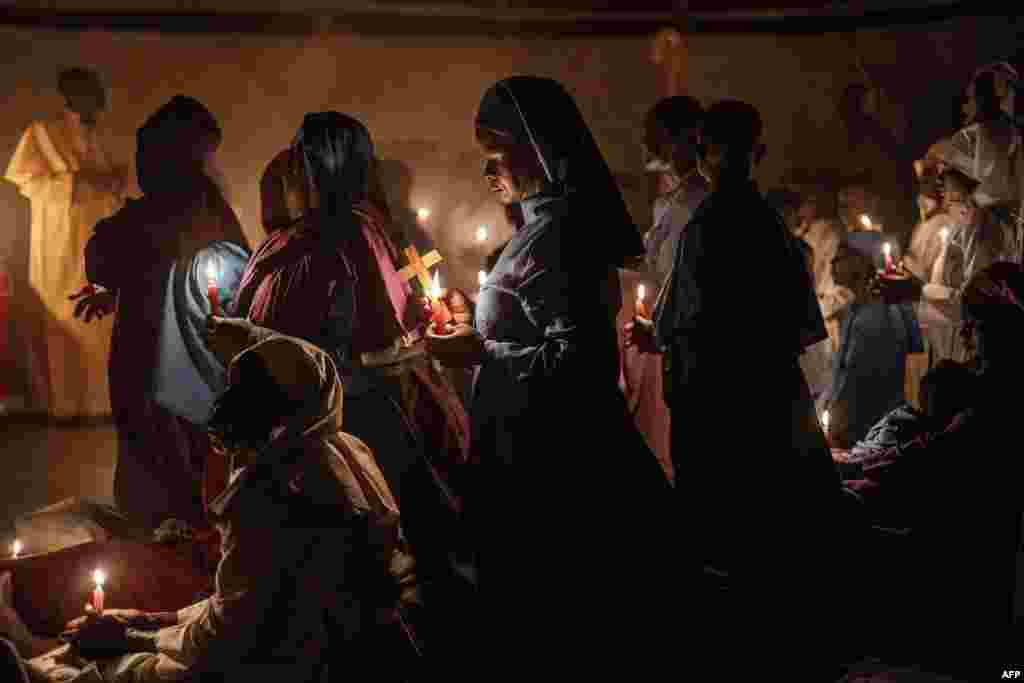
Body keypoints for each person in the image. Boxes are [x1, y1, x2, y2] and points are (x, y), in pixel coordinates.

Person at [426, 76, 674, 674]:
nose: (487, 173)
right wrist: (475, 321)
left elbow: (579, 363)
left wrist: (481, 353)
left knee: (559, 622)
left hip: (556, 464)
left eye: (495, 155)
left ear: (537, 148)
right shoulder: (537, 228)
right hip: (519, 445)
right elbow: (523, 323)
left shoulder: (564, 235)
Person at [1, 333, 418, 682]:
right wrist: (151, 622)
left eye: (243, 393)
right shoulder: (344, 450)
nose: (227, 403)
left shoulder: (273, 490)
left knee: (96, 670)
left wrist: (132, 638)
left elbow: (231, 638)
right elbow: (251, 600)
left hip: (291, 665)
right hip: (334, 643)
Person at [221, 112, 471, 663]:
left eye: (301, 160)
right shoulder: (325, 234)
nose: (293, 173)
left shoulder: (344, 233)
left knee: (364, 552)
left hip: (350, 411)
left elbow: (344, 335)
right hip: (339, 402)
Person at [625, 100, 845, 674]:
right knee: (769, 515)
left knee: (726, 520)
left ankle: (735, 642)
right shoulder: (768, 223)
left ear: (709, 154)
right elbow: (799, 324)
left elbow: (685, 320)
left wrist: (666, 337)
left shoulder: (712, 224)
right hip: (769, 390)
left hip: (719, 395)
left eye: (714, 149)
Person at [72, 96, 250, 532]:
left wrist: (111, 282)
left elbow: (104, 255)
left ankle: (169, 554)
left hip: (158, 354)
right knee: (177, 458)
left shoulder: (161, 210)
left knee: (163, 461)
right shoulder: (205, 205)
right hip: (189, 353)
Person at [845, 263, 1024, 672]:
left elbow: (928, 456)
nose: (963, 336)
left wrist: (861, 471)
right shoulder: (990, 389)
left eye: (973, 326)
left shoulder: (1000, 400)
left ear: (1003, 332)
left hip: (959, 558)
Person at [4, 67, 132, 419]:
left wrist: (106, 183)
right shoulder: (42, 135)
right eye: (86, 93)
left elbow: (120, 183)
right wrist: (77, 183)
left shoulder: (104, 138)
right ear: (69, 97)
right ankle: (64, 407)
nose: (95, 102)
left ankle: (102, 406)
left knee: (103, 322)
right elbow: (27, 183)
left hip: (100, 244)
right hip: (59, 245)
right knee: (64, 320)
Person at [620, 95, 706, 483]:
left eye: (660, 138)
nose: (653, 149)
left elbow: (687, 279)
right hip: (666, 334)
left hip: (692, 341)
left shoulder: (703, 201)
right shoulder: (669, 201)